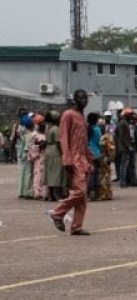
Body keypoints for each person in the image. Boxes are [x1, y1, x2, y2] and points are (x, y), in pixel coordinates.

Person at [50, 90, 93, 235]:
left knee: (82, 196)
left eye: (85, 98)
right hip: (73, 159)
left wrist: (90, 157)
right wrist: (66, 159)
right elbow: (63, 138)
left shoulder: (82, 117)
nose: (84, 101)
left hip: (83, 158)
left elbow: (84, 140)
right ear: (75, 100)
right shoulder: (68, 115)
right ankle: (57, 213)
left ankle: (77, 226)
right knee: (80, 191)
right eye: (80, 98)